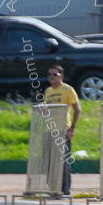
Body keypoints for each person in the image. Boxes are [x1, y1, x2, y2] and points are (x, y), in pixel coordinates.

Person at [43, 65, 81, 196]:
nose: (52, 77)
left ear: (61, 76)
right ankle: (53, 188)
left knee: (62, 161)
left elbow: (77, 109)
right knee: (49, 161)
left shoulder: (67, 89)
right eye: (49, 74)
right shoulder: (48, 91)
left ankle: (64, 189)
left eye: (55, 74)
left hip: (62, 129)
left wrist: (72, 128)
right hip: (49, 130)